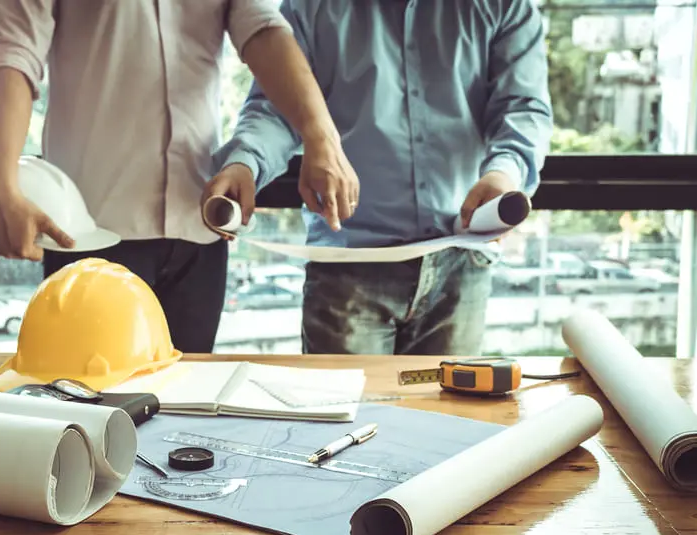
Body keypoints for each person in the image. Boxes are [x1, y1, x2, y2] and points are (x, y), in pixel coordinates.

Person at [0, 0, 359, 354]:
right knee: (89, 409)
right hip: (91, 234)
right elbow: (15, 53)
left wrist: (322, 137)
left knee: (185, 414)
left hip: (198, 232)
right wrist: (0, 188)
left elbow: (261, 29)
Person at [205, 0, 553, 355]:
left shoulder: (504, 6)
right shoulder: (309, 8)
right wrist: (245, 162)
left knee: (446, 409)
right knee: (347, 410)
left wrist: (505, 172)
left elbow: (523, 107)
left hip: (459, 261)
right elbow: (276, 108)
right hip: (348, 265)